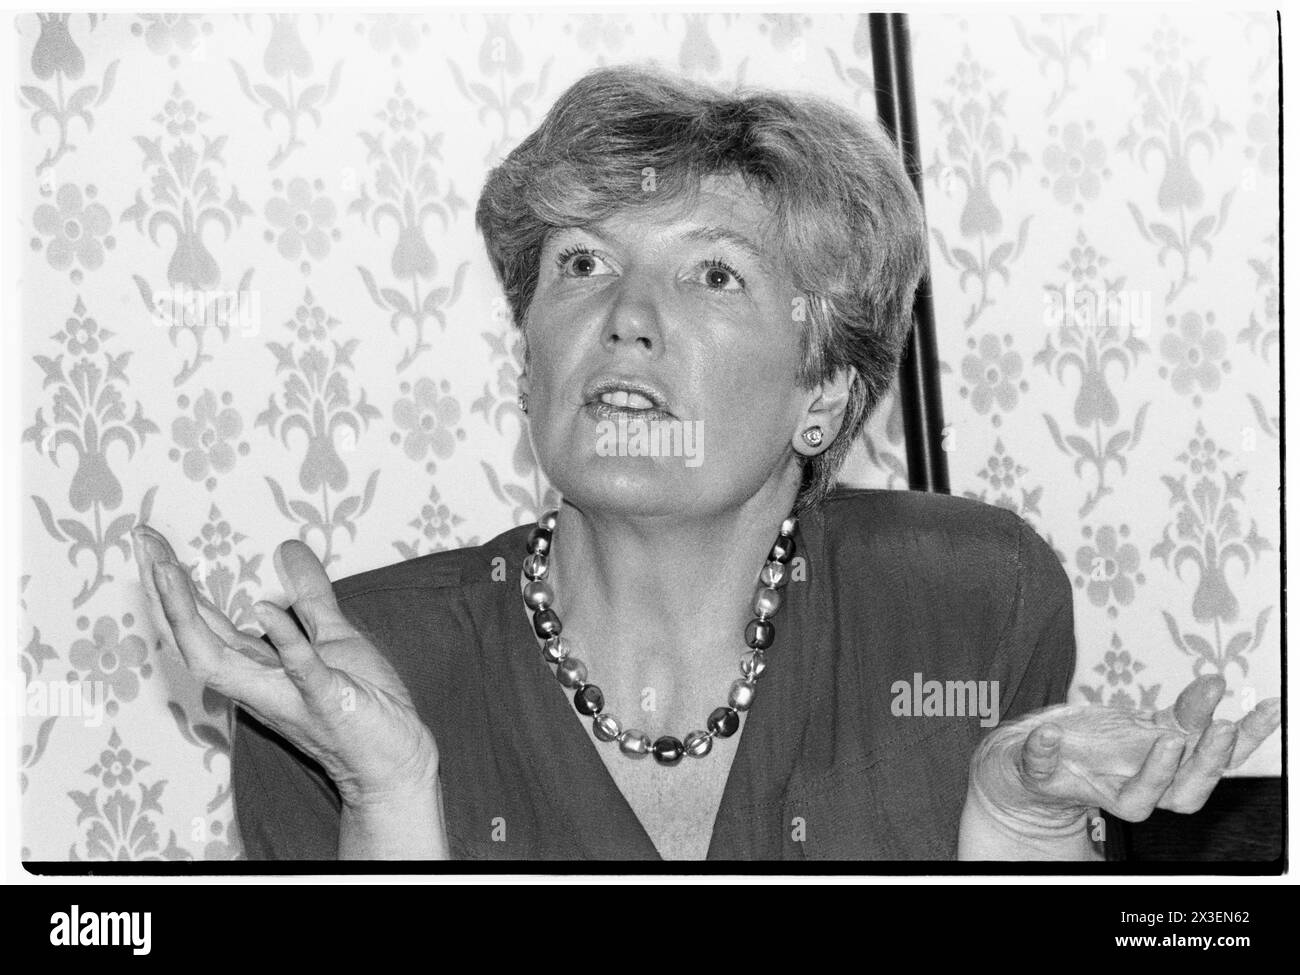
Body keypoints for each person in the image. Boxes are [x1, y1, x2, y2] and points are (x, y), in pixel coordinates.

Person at [131, 65, 1280, 862]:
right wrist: (389, 796)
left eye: (713, 274)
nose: (626, 317)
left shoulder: (969, 599)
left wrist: (1017, 823)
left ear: (823, 392)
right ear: (527, 355)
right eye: (581, 264)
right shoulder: (345, 675)